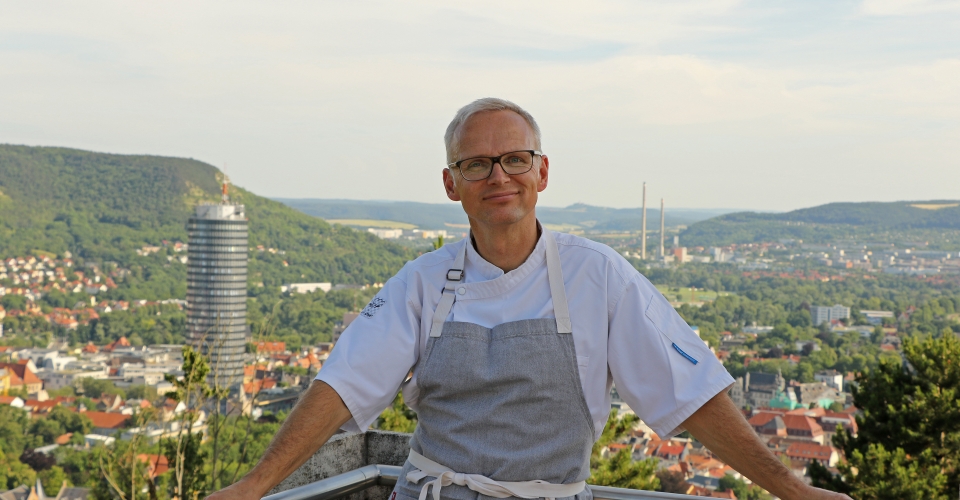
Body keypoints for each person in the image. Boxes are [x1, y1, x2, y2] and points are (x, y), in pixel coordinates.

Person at [207, 98, 851, 500]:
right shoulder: (422, 281)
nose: (498, 177)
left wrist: (795, 491)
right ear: (450, 184)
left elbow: (691, 396)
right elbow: (341, 387)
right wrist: (254, 487)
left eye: (514, 159)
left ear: (542, 172)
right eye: (476, 164)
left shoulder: (597, 276)